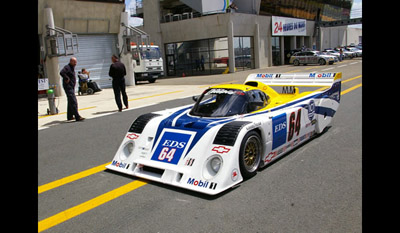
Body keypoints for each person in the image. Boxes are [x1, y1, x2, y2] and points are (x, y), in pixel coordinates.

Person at [59, 57, 85, 121]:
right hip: (68, 87)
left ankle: (69, 116)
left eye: (76, 62)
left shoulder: (71, 68)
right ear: (71, 61)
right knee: (73, 101)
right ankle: (77, 116)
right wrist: (66, 78)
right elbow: (62, 72)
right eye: (74, 62)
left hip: (71, 87)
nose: (76, 63)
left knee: (70, 100)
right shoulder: (67, 67)